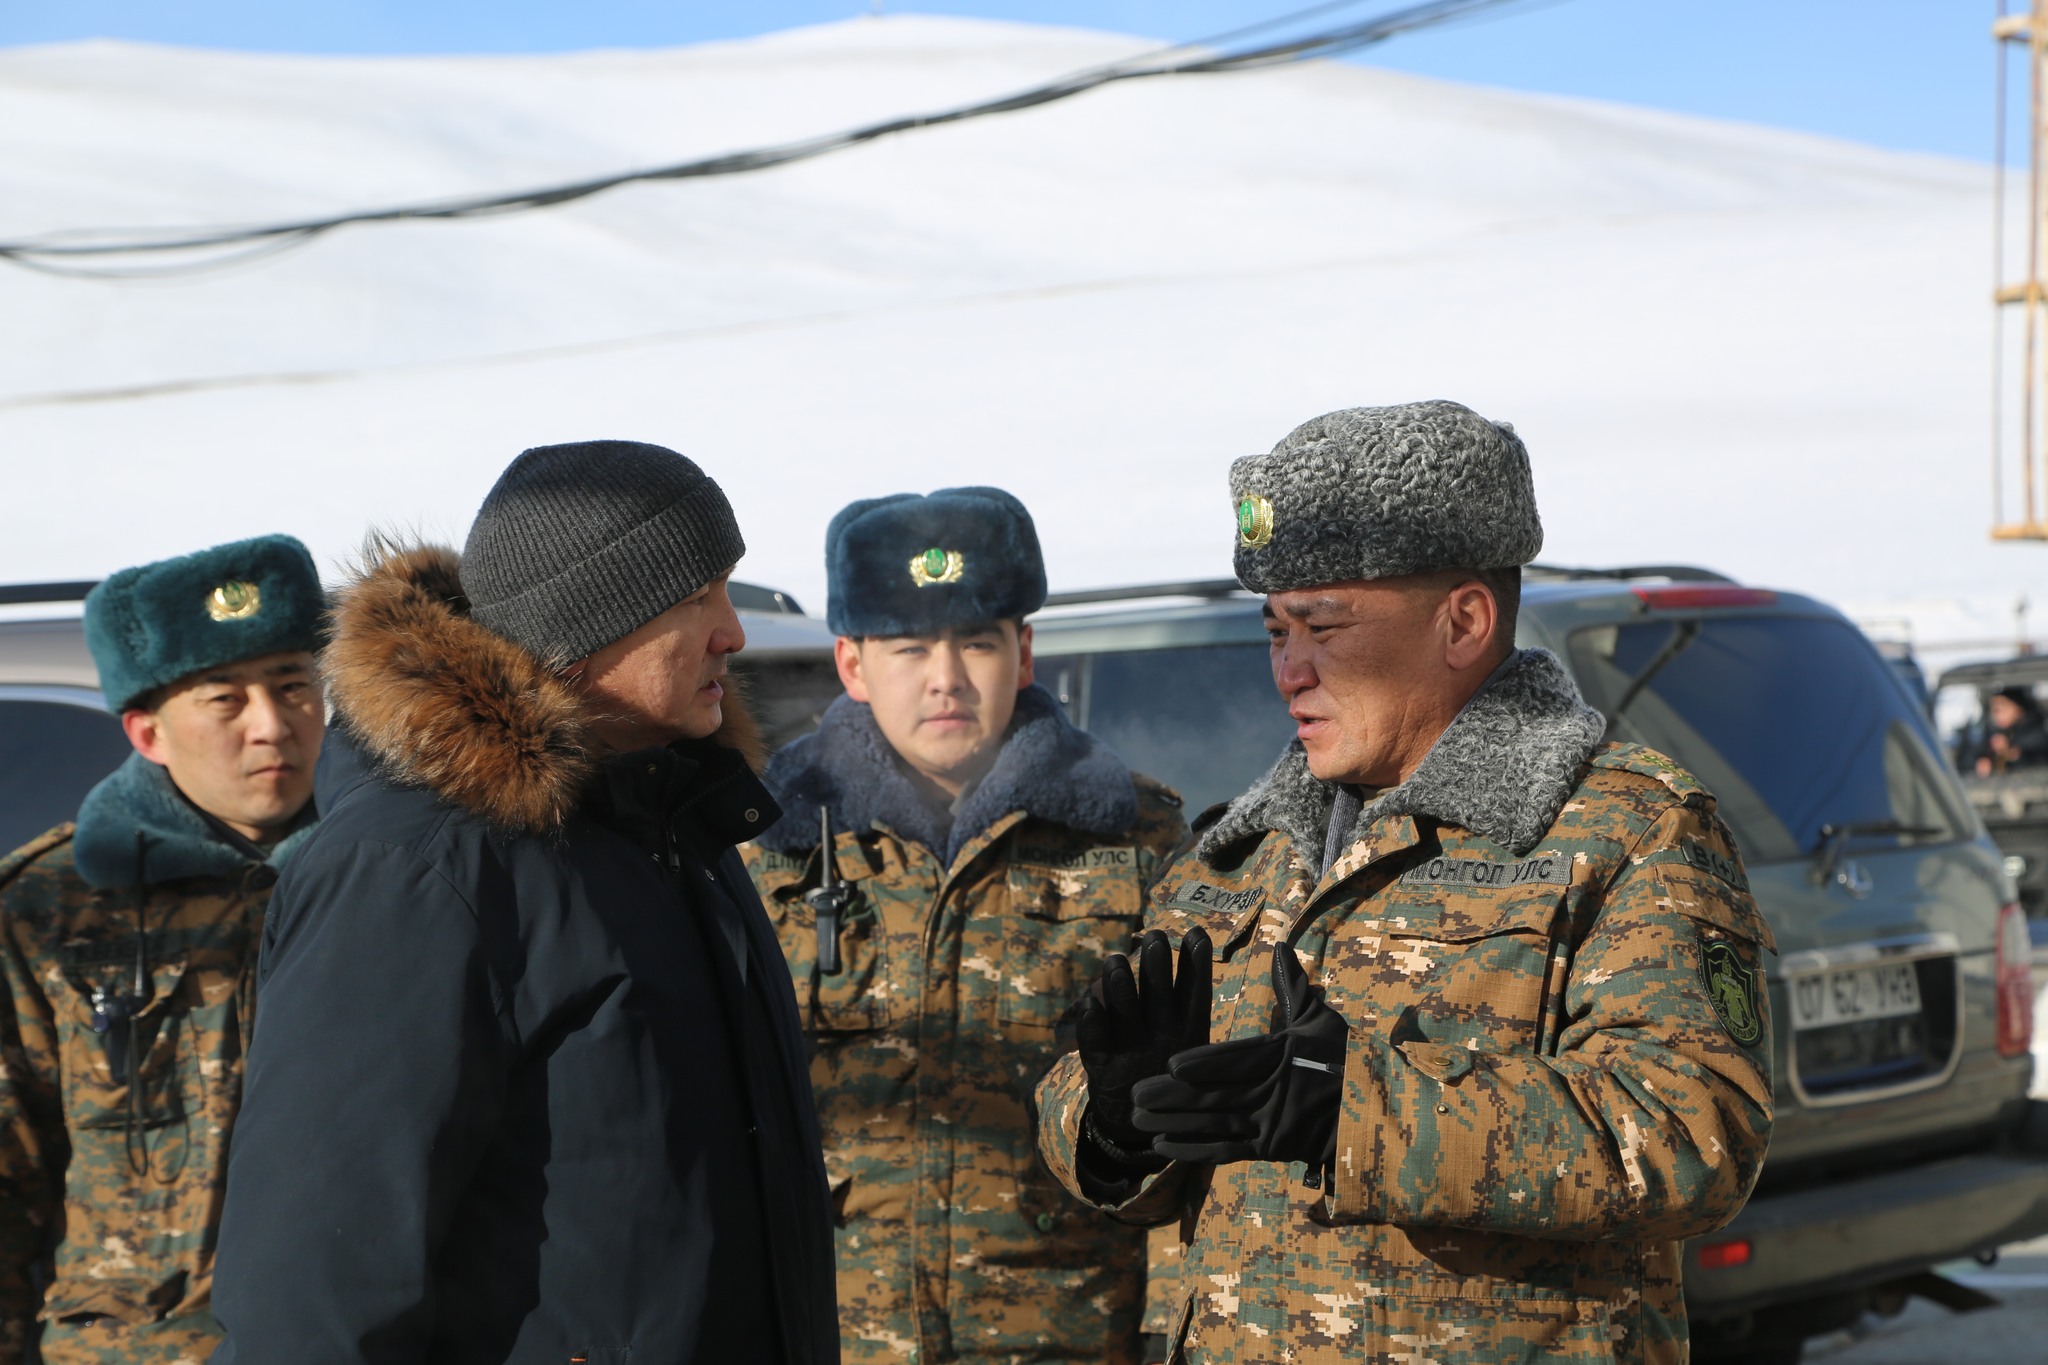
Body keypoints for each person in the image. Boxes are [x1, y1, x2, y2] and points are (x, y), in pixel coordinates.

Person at [1035, 402, 1776, 1364]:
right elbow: (1075, 1088)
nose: (1287, 669)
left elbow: (1697, 1130)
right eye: (1274, 631)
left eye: (1322, 626)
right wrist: (1115, 1124)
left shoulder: (1626, 827)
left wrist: (1357, 1106)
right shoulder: (1240, 849)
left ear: (1462, 620)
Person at [208, 441, 839, 1365]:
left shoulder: (671, 825)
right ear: (591, 623)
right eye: (696, 597)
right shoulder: (419, 869)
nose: (732, 634)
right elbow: (316, 1290)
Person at [742, 488, 1188, 1364]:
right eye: (909, 647)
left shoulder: (1133, 840)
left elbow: (1184, 1124)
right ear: (853, 664)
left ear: (1023, 653)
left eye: (976, 641)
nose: (946, 676)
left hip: (1063, 1336)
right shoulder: (768, 848)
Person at [0, 535, 325, 1365]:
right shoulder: (48, 910)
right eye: (226, 700)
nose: (273, 726)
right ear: (148, 732)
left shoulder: (388, 880)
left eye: (294, 686)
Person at [1968, 685, 2048, 776]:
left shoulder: (2037, 732)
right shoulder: (1989, 732)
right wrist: (1983, 760)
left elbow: (2041, 765)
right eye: (1993, 708)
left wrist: (2015, 756)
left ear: (2018, 709)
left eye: (2002, 706)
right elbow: (1967, 757)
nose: (1996, 713)